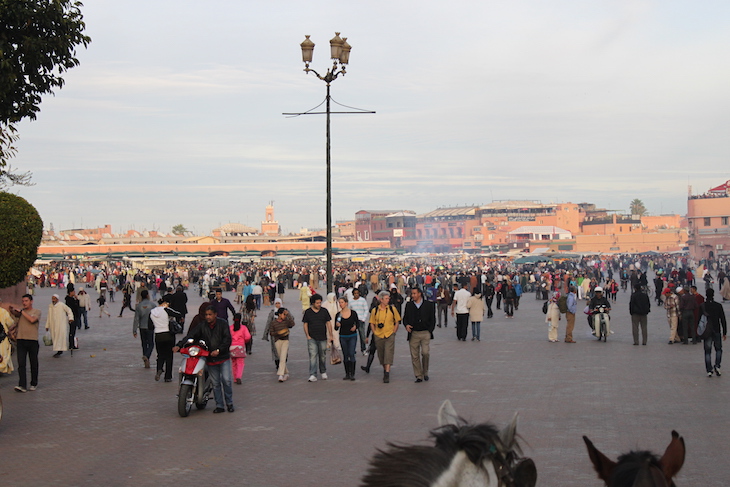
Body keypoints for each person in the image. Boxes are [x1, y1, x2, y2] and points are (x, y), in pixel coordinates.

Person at [174, 306, 234, 413]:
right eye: (206, 315)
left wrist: (219, 350)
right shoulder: (202, 326)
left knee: (227, 381)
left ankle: (229, 403)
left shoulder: (223, 324)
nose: (208, 317)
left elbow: (227, 339)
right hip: (210, 358)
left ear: (215, 314)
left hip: (223, 357)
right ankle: (219, 405)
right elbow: (191, 335)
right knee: (215, 383)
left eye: (210, 314)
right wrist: (179, 345)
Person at [9, 295, 42, 392]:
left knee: (33, 363)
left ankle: (34, 383)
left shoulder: (36, 312)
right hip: (21, 340)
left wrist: (22, 312)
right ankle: (22, 385)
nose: (24, 303)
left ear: (31, 301)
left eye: (26, 301)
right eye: (23, 301)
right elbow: (15, 323)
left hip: (32, 340)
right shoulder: (20, 314)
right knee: (21, 363)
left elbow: (32, 320)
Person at [403, 287, 435, 382]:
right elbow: (405, 318)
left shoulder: (428, 305)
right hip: (413, 333)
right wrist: (406, 325)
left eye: (414, 293)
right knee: (415, 355)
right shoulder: (409, 305)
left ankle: (425, 372)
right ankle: (418, 375)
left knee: (425, 353)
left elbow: (432, 319)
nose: (413, 295)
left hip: (425, 332)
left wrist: (430, 330)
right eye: (412, 294)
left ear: (419, 294)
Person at [369, 291, 401, 383]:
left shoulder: (392, 309)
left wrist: (394, 331)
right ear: (381, 300)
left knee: (388, 353)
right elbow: (372, 323)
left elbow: (397, 321)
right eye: (386, 299)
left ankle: (387, 373)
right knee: (381, 355)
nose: (388, 300)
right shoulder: (375, 311)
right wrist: (374, 332)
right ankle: (385, 368)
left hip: (389, 334)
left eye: (388, 298)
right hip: (379, 335)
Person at [303, 294, 333, 382]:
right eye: (317, 303)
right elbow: (305, 324)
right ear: (313, 303)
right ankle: (313, 374)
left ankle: (323, 371)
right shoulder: (308, 312)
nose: (319, 304)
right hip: (312, 337)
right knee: (312, 356)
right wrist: (307, 335)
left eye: (320, 302)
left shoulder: (324, 311)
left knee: (322, 356)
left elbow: (328, 323)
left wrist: (330, 335)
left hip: (322, 337)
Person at [150, 297, 177, 382]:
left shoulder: (152, 312)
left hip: (158, 335)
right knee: (169, 356)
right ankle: (168, 376)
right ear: (165, 303)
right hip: (168, 335)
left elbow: (149, 326)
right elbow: (178, 314)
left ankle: (159, 368)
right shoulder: (167, 310)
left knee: (160, 355)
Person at [701, 289, 727, 377]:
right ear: (713, 295)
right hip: (716, 329)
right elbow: (723, 319)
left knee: (707, 351)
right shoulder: (718, 306)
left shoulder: (703, 306)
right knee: (718, 349)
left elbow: (699, 320)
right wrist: (725, 332)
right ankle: (717, 366)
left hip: (707, 331)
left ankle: (709, 370)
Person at [334, 296, 359, 380]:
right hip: (343, 336)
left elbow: (358, 323)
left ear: (346, 303)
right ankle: (347, 373)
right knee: (345, 355)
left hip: (352, 336)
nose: (341, 304)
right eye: (339, 302)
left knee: (351, 353)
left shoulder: (353, 313)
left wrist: (355, 327)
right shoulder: (338, 314)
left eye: (342, 302)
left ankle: (352, 374)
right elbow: (336, 327)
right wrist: (337, 325)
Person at [270, 307, 295, 382]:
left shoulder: (286, 321)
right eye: (284, 314)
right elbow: (271, 332)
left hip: (285, 340)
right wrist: (278, 333)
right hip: (277, 341)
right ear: (280, 315)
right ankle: (286, 372)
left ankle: (280, 374)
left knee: (283, 356)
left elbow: (292, 324)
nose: (284, 316)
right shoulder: (273, 322)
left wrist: (288, 315)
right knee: (281, 357)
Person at [132, 289, 156, 368]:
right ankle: (147, 356)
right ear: (147, 295)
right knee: (151, 344)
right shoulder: (152, 305)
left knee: (144, 344)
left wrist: (134, 330)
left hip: (142, 327)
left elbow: (136, 319)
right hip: (150, 326)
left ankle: (146, 359)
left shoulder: (139, 306)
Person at [230, 313, 252, 384]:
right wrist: (244, 341)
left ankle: (235, 378)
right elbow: (248, 336)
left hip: (232, 347)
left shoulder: (230, 328)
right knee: (240, 363)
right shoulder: (243, 328)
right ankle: (238, 376)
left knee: (234, 363)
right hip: (240, 347)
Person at [263, 298, 283, 369]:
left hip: (283, 334)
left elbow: (291, 320)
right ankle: (277, 363)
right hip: (274, 334)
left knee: (283, 349)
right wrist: (265, 334)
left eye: (279, 303)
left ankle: (283, 361)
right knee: (275, 349)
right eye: (276, 303)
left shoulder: (285, 311)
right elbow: (268, 323)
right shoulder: (272, 313)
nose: (278, 305)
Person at [348, 288, 370, 355]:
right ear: (353, 294)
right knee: (352, 335)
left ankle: (363, 349)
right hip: (353, 320)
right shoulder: (350, 301)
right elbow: (349, 310)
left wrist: (363, 318)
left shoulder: (362, 300)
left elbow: (366, 310)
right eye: (355, 293)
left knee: (362, 335)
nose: (356, 295)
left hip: (361, 319)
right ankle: (352, 349)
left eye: (357, 293)